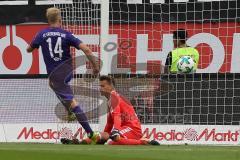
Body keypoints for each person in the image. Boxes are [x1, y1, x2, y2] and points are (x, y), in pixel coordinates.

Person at [26, 7, 99, 140]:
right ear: (60, 19)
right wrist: (95, 67)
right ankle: (70, 111)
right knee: (52, 84)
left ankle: (91, 134)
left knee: (72, 102)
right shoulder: (67, 34)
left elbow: (29, 49)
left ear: (48, 19)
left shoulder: (41, 34)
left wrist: (34, 45)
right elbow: (87, 50)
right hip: (67, 71)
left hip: (56, 74)